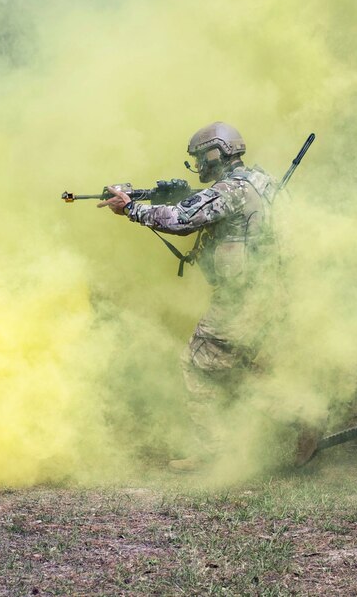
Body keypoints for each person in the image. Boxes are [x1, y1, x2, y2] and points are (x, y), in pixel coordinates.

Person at [99, 122, 277, 471]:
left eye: (200, 158)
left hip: (241, 300)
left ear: (216, 153)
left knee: (197, 365)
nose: (199, 166)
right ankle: (286, 431)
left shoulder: (229, 191)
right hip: (271, 292)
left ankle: (216, 455)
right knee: (251, 369)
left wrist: (132, 209)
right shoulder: (262, 181)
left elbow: (181, 219)